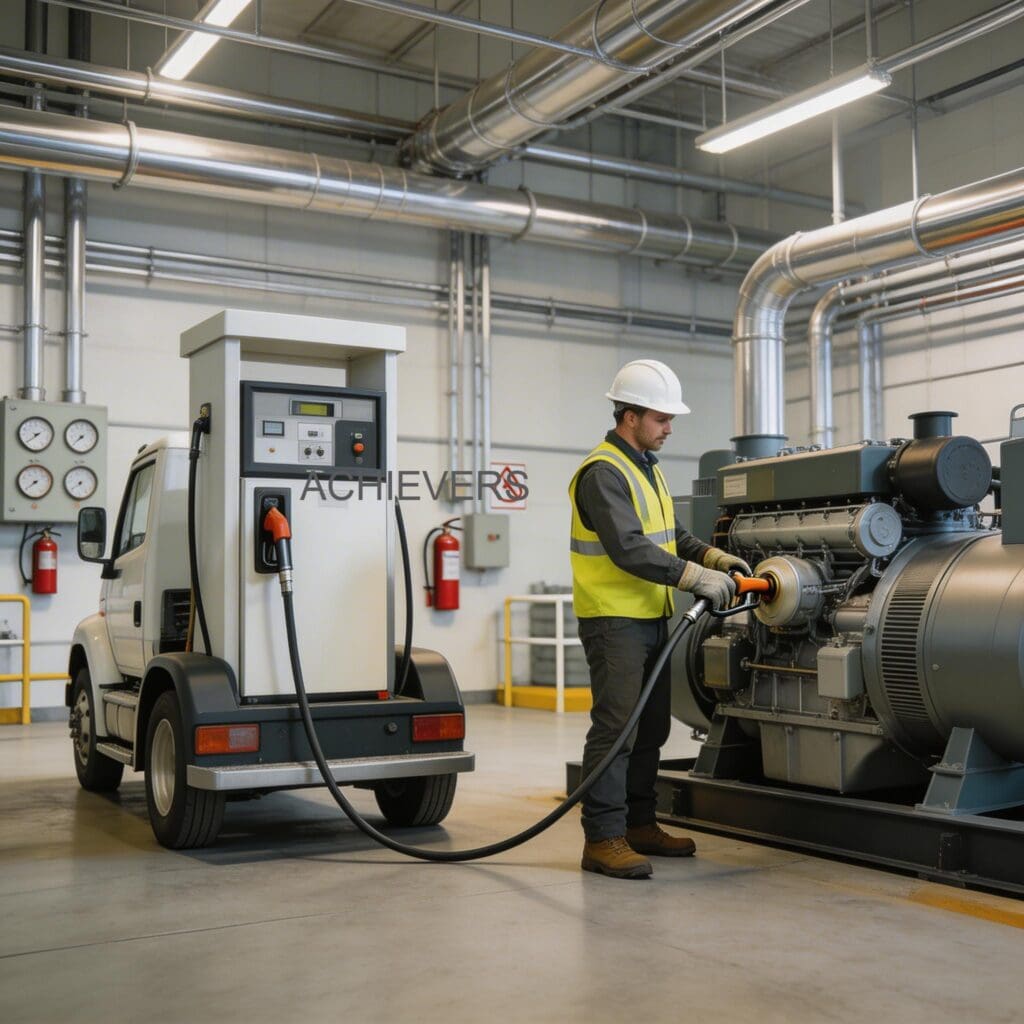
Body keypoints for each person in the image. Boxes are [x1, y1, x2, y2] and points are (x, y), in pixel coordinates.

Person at [569, 359, 750, 879]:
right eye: (661, 418)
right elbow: (628, 549)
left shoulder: (646, 467)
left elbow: (669, 538)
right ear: (629, 416)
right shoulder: (603, 472)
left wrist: (713, 558)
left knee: (649, 728)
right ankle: (603, 839)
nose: (670, 428)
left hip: (650, 616)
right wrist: (694, 579)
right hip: (614, 622)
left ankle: (640, 824)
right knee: (616, 730)